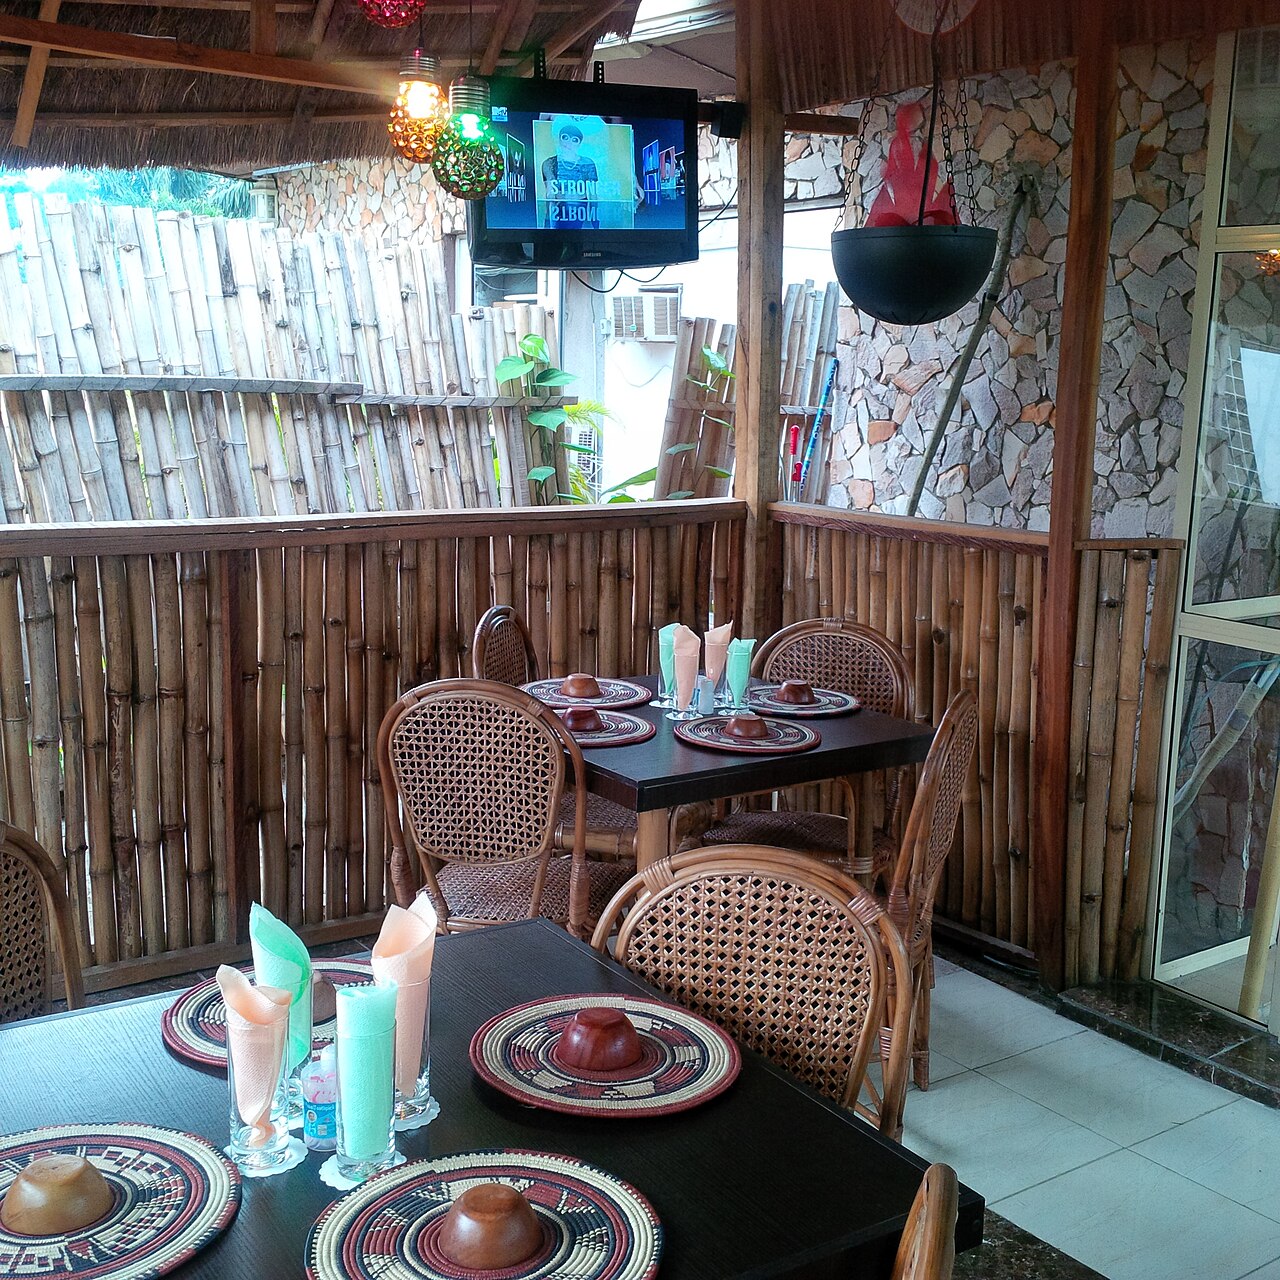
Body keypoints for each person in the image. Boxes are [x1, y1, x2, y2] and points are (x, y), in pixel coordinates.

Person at [541, 123, 599, 228]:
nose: (569, 143)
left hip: (581, 211)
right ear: (559, 139)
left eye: (574, 140)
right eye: (565, 138)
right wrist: (548, 223)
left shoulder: (587, 163)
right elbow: (550, 196)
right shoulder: (549, 163)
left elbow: (593, 196)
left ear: (579, 143)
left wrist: (593, 222)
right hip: (558, 211)